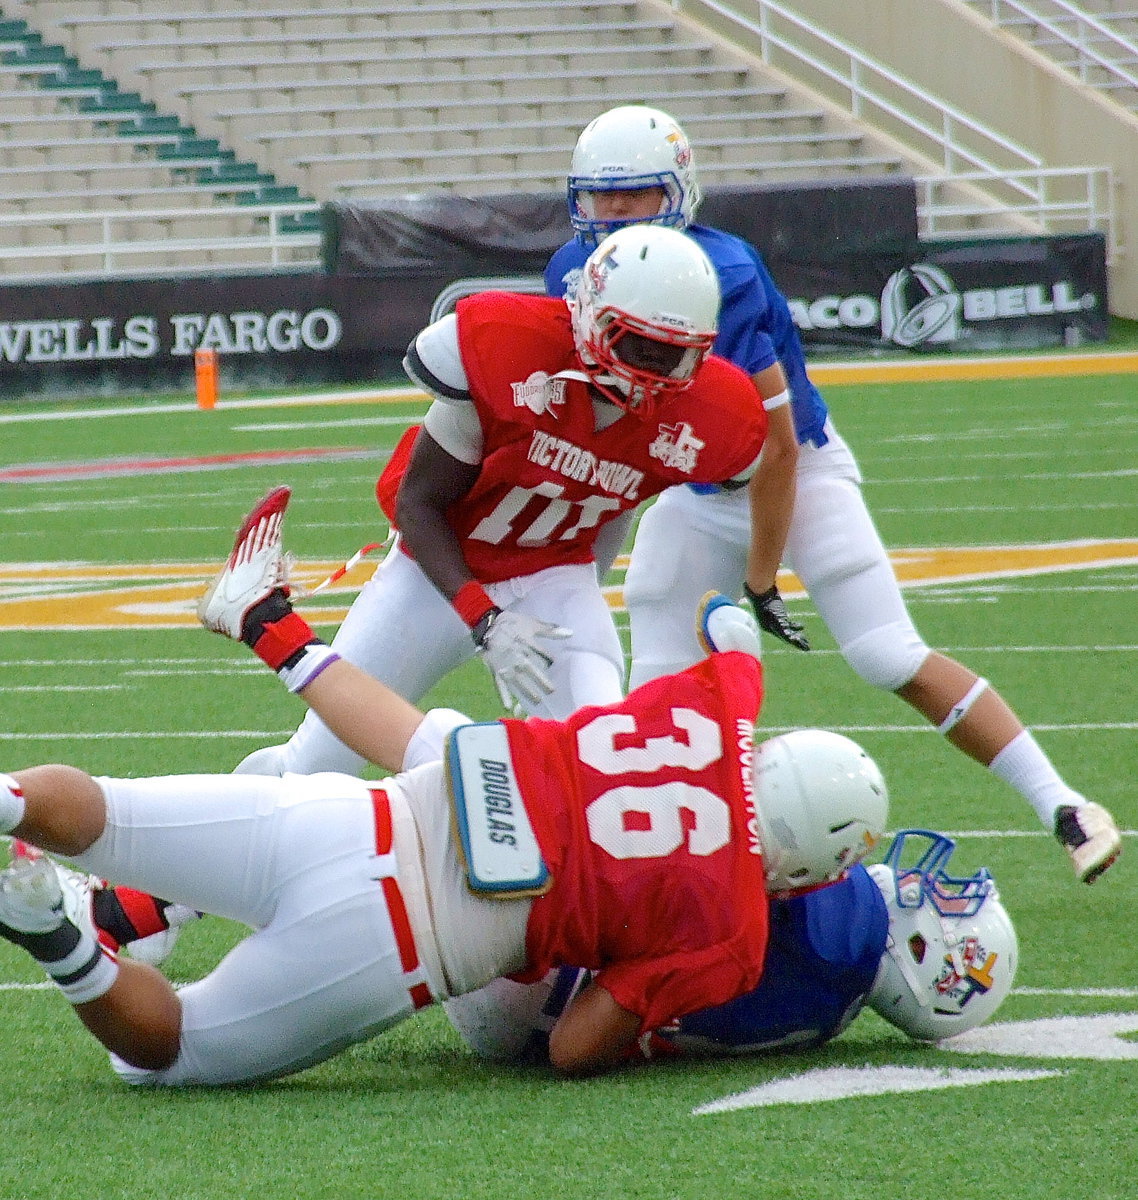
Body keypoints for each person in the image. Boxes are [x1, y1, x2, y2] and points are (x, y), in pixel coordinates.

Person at [0, 488, 887, 1087]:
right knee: (164, 1054)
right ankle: (56, 936)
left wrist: (734, 626)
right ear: (804, 873)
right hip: (393, 947)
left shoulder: (716, 709)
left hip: (348, 817)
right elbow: (577, 1049)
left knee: (103, 810)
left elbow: (729, 634)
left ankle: (13, 802)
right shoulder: (730, 928)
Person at [543, 103, 1121, 885]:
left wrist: (760, 578)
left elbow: (774, 448)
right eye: (600, 195)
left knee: (887, 653)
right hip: (691, 481)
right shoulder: (570, 276)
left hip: (791, 472)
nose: (612, 213)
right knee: (655, 686)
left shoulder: (726, 276)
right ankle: (659, 876)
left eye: (634, 195)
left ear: (676, 192)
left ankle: (1065, 804)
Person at [234, 221, 789, 779]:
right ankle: (242, 805)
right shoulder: (507, 347)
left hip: (555, 575)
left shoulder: (712, 414)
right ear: (591, 316)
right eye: (637, 345)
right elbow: (418, 503)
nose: (652, 372)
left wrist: (586, 591)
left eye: (674, 355)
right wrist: (485, 619)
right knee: (319, 768)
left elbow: (623, 495)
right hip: (438, 571)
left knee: (596, 758)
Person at [444, 828, 1019, 1062]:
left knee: (452, 748)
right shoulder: (828, 1014)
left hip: (546, 963)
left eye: (949, 908)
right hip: (527, 1016)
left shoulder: (841, 927)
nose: (936, 890)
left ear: (928, 960)